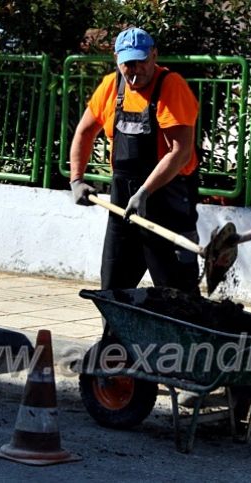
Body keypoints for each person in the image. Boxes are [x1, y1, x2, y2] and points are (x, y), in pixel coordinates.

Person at [69, 27, 200, 294]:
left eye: (142, 61)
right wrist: (77, 179)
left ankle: (187, 336)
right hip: (123, 198)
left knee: (176, 290)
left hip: (168, 198)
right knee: (114, 283)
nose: (135, 70)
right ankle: (112, 336)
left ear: (154, 56)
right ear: (117, 59)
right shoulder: (111, 86)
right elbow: (84, 131)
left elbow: (181, 152)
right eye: (128, 64)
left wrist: (145, 191)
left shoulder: (171, 87)